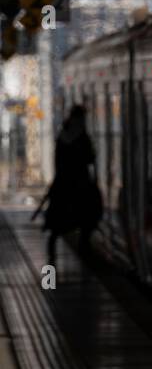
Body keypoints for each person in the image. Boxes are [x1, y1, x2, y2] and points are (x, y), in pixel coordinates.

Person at [34, 104, 102, 265]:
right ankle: (84, 251)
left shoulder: (62, 135)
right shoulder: (82, 136)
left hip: (63, 184)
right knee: (88, 217)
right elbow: (90, 158)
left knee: (57, 225)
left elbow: (59, 161)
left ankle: (51, 261)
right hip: (81, 185)